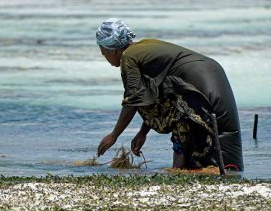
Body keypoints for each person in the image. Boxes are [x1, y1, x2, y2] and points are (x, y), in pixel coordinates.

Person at [96, 18, 243, 170]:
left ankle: (178, 170)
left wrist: (114, 136)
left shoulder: (128, 57)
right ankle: (186, 169)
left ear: (112, 49)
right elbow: (154, 96)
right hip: (212, 74)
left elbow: (133, 99)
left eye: (103, 52)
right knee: (224, 148)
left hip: (199, 83)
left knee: (181, 118)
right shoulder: (143, 46)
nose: (104, 57)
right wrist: (142, 132)